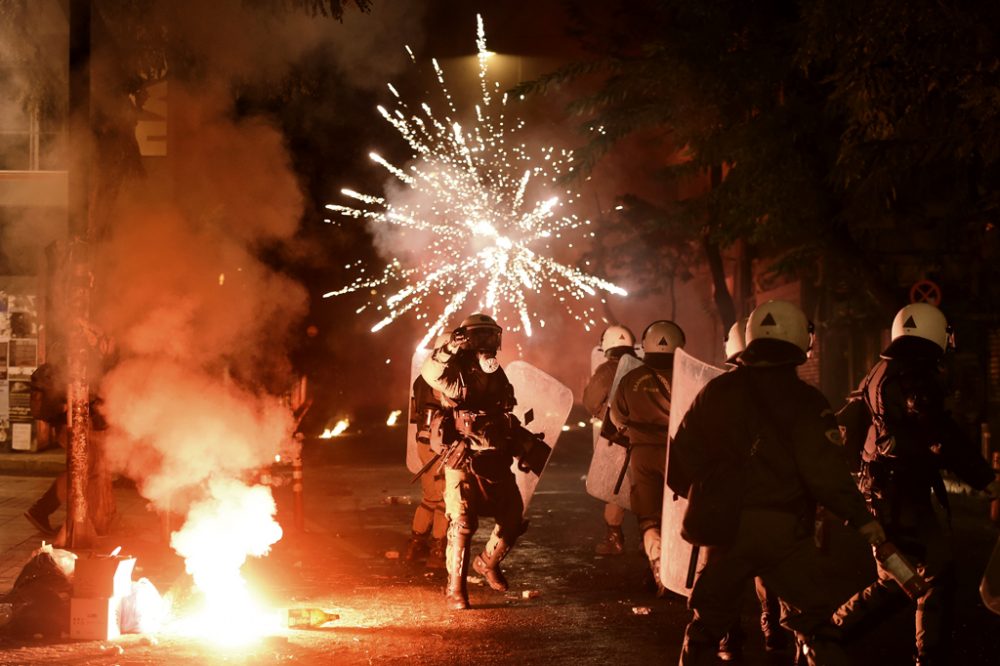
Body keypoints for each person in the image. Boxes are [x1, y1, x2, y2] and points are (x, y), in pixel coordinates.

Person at [668, 300, 885, 666]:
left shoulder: (716, 393)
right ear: (801, 342)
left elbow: (681, 458)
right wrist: (862, 519)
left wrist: (706, 496)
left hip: (725, 531)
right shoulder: (807, 402)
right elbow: (826, 475)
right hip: (784, 532)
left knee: (705, 630)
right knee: (816, 628)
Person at [831, 303, 1000, 666]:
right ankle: (925, 657)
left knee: (900, 580)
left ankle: (829, 634)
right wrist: (987, 479)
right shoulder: (915, 377)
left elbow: (850, 427)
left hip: (880, 494)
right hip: (902, 497)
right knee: (931, 575)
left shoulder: (878, 371)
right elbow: (941, 433)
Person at [421, 313, 528, 610]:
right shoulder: (457, 375)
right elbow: (431, 373)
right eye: (479, 337)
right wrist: (447, 350)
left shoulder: (498, 374)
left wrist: (523, 444)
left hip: (496, 457)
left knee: (512, 518)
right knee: (464, 522)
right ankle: (455, 588)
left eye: (491, 336)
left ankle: (487, 563)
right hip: (464, 457)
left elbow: (506, 413)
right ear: (466, 340)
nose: (487, 344)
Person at [715, 318, 790, 660]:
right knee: (767, 563)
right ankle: (773, 625)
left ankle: (730, 636)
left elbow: (689, 447)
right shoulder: (786, 391)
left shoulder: (715, 392)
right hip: (769, 495)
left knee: (727, 568)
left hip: (731, 498)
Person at [609, 319, 684, 594]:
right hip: (679, 454)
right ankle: (680, 570)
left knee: (648, 515)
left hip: (641, 455)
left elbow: (617, 416)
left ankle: (657, 567)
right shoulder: (688, 379)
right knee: (679, 514)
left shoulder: (630, 379)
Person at [582, 324, 637, 556]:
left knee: (616, 488)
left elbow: (591, 401)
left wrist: (603, 413)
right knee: (648, 489)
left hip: (618, 438)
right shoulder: (642, 366)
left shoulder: (607, 369)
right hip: (647, 440)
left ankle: (615, 540)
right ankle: (653, 544)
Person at [405, 333, 451, 569]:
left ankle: (415, 544)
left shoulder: (423, 377)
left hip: (424, 444)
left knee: (429, 497)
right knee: (445, 499)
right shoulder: (440, 377)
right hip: (439, 445)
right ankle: (437, 548)